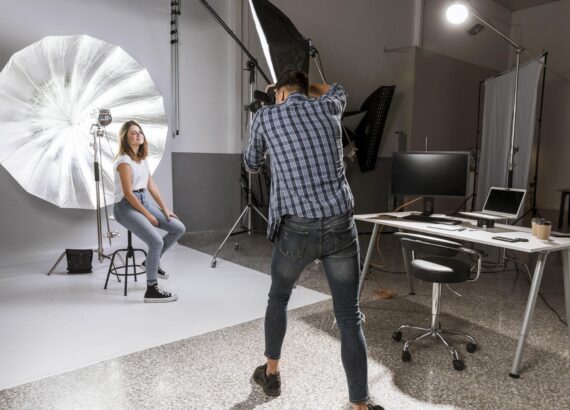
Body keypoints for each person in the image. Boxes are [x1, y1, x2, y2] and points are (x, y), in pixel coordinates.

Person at [244, 71, 382, 410]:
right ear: (305, 90)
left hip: (296, 230)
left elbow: (251, 163)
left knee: (278, 297)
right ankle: (359, 405)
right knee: (349, 315)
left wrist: (272, 110)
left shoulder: (265, 116)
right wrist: (309, 89)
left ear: (279, 92)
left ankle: (272, 372)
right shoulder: (329, 107)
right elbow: (339, 88)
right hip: (339, 227)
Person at [113, 120, 186, 303]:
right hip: (125, 206)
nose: (138, 135)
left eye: (140, 132)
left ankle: (150, 262)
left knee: (178, 228)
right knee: (155, 241)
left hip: (143, 200)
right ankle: (151, 290)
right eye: (133, 133)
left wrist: (164, 208)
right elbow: (129, 194)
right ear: (125, 138)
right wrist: (148, 214)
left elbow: (151, 185)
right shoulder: (124, 161)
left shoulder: (142, 159)